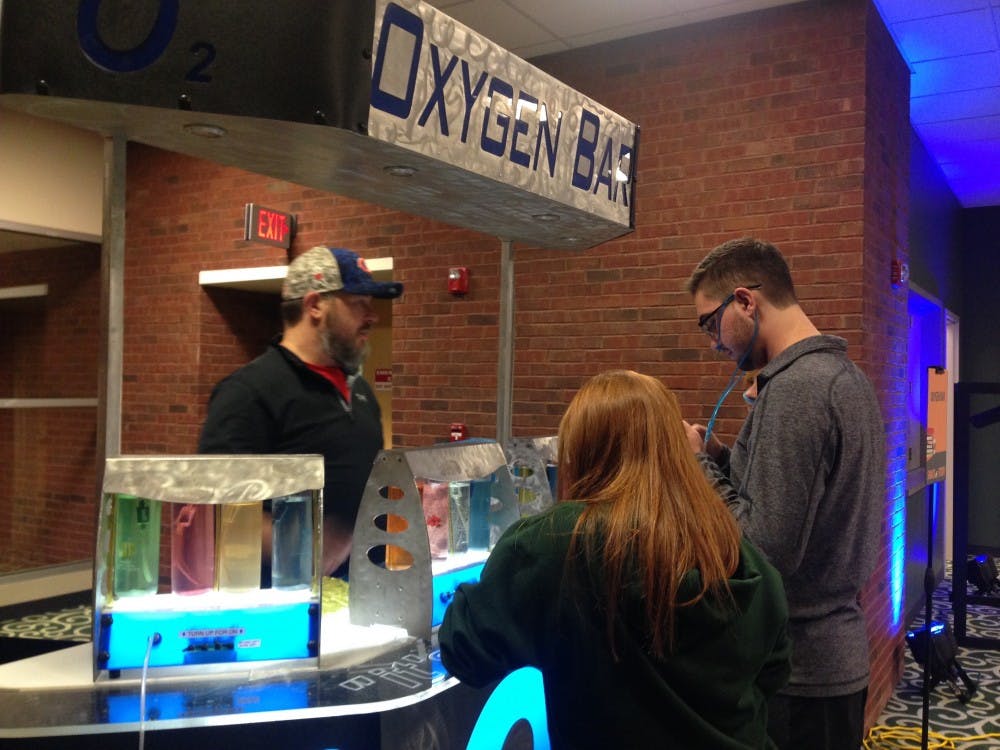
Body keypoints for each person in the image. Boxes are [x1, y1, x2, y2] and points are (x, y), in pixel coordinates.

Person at [439, 369, 791, 749]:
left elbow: (465, 650)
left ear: (581, 450)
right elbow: (774, 669)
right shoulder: (732, 546)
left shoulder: (557, 542)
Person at [683, 237, 885, 750]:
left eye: (710, 323)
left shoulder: (799, 388)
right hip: (829, 667)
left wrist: (698, 465)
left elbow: (764, 551)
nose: (713, 343)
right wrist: (723, 458)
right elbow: (806, 511)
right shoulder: (843, 377)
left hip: (801, 679)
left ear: (745, 302)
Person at [198, 245, 403, 579]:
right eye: (358, 303)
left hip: (362, 595)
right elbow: (217, 515)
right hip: (281, 600)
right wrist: (306, 548)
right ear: (314, 305)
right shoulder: (248, 392)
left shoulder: (361, 392)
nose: (372, 316)